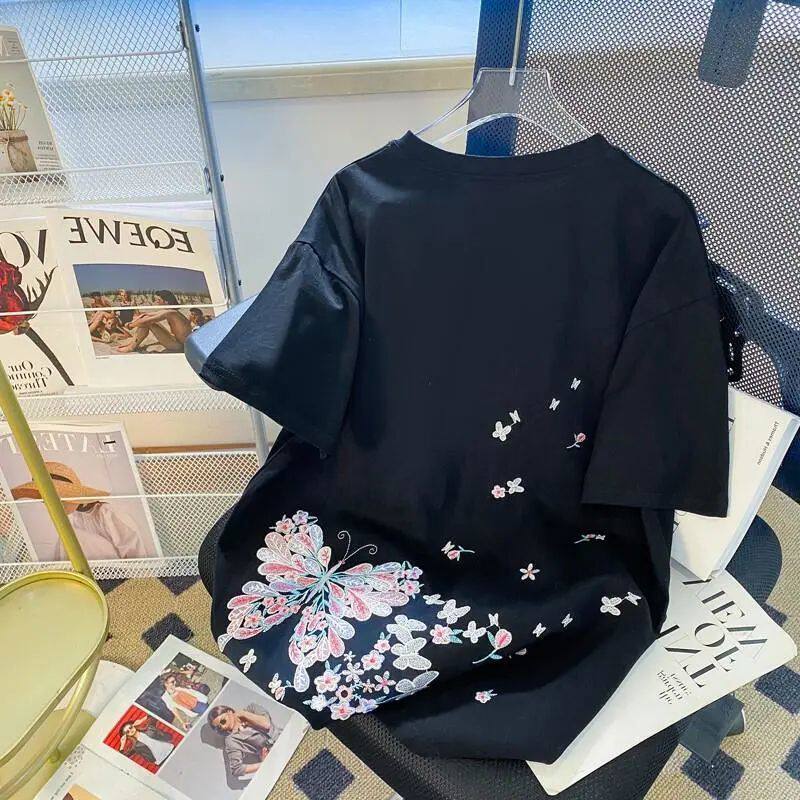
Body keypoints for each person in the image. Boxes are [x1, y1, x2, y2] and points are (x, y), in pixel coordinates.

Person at [10, 461, 151, 560]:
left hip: (118, 569)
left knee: (72, 537)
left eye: (61, 498)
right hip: (89, 568)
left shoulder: (106, 512)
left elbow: (134, 547)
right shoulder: (75, 515)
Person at [115, 290, 192, 354]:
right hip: (177, 340)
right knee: (148, 320)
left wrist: (131, 325)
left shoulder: (170, 313)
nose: (157, 302)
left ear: (166, 301)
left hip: (180, 346)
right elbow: (146, 314)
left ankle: (131, 347)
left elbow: (147, 321)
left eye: (159, 300)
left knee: (148, 323)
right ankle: (132, 344)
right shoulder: (171, 311)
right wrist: (135, 320)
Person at [207, 704, 273, 779]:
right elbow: (236, 770)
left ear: (229, 712)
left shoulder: (251, 709)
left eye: (223, 721)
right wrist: (263, 764)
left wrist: (242, 714)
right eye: (219, 727)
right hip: (273, 754)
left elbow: (267, 724)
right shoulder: (231, 740)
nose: (223, 727)